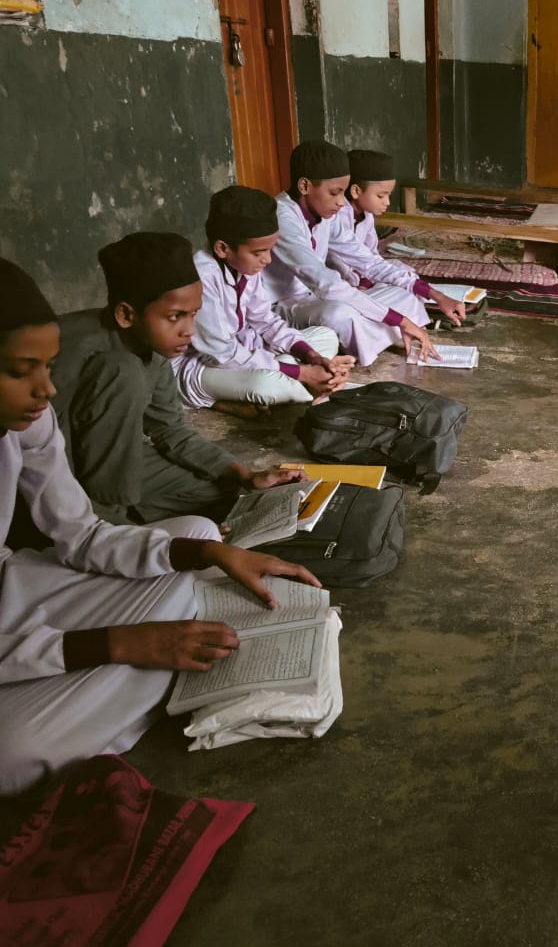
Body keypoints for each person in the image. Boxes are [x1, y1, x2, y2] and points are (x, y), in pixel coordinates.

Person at [0, 257, 321, 795]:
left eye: (48, 368)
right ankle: (145, 673)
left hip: (14, 588)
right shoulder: (114, 369)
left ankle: (130, 678)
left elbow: (81, 535)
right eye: (19, 371)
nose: (46, 390)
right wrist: (117, 645)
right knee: (15, 755)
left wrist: (210, 556)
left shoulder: (28, 422)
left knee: (197, 534)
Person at [52, 232, 306, 524]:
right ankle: (111, 521)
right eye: (175, 316)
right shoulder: (68, 349)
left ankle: (125, 514)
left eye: (193, 314)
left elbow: (170, 430)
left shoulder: (153, 350)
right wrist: (106, 526)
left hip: (115, 462)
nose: (189, 331)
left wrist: (244, 475)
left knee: (222, 493)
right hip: (58, 470)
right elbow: (43, 452)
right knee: (124, 371)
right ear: (126, 314)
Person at [173, 185, 355, 416]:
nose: (267, 260)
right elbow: (222, 353)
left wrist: (311, 356)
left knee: (325, 336)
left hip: (244, 351)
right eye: (259, 252)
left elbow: (265, 320)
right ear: (222, 248)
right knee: (267, 386)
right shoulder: (202, 278)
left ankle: (301, 373)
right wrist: (304, 372)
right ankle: (302, 380)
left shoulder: (245, 267)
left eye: (270, 249)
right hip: (203, 366)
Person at [261, 139, 438, 367]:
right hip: (285, 305)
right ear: (304, 186)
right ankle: (384, 334)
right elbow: (326, 283)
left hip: (316, 299)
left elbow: (367, 259)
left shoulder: (327, 216)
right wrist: (399, 320)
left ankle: (377, 335)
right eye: (335, 193)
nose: (340, 203)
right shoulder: (282, 218)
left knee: (403, 295)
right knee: (340, 312)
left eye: (343, 194)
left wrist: (433, 294)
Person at [327, 148, 473, 330]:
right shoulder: (334, 218)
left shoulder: (367, 216)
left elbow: (371, 257)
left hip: (361, 283)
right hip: (338, 289)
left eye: (388, 195)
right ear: (356, 191)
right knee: (351, 310)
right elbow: (365, 263)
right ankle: (402, 325)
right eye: (381, 195)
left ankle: (405, 324)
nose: (387, 202)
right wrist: (438, 296)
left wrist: (365, 284)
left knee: (403, 271)